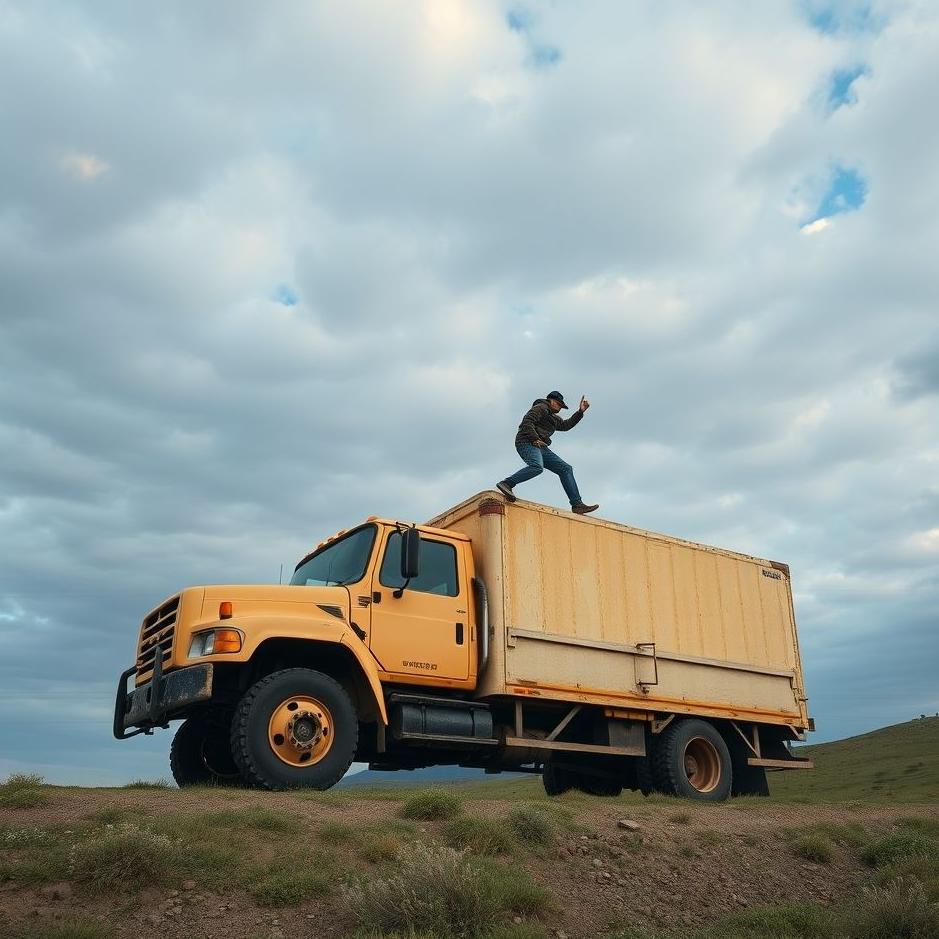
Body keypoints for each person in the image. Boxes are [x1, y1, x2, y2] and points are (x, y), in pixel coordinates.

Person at [497, 391, 599, 514]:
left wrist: (580, 412)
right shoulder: (540, 407)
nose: (560, 408)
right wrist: (534, 438)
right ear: (551, 401)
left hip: (541, 446)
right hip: (526, 441)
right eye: (558, 404)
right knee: (537, 467)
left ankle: (577, 505)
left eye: (561, 406)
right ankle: (507, 483)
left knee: (565, 469)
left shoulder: (553, 418)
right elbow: (527, 422)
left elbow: (566, 425)